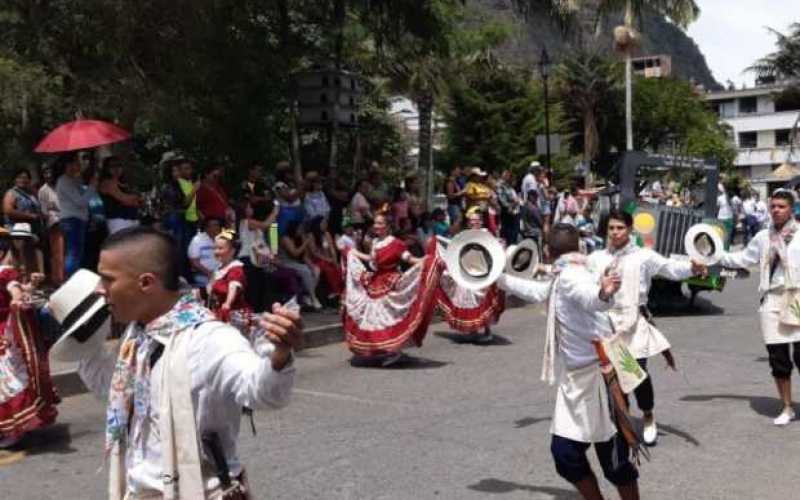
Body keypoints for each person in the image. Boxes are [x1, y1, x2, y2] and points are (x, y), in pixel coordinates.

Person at [75, 226, 300, 498]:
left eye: (108, 279)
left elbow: (264, 393)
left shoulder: (209, 339)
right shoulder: (137, 335)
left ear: (146, 283)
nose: (100, 290)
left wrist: (279, 355)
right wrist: (81, 343)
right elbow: (113, 391)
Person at [497, 224, 640, 500]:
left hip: (602, 377)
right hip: (579, 380)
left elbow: (590, 298)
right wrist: (496, 279)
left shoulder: (572, 276)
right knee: (566, 455)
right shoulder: (567, 273)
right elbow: (540, 293)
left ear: (548, 251)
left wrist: (603, 294)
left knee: (614, 462)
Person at [587, 210, 706, 445]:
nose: (615, 232)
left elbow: (670, 268)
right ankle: (623, 418)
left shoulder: (643, 256)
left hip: (635, 324)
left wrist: (691, 268)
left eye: (620, 227)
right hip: (607, 325)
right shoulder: (596, 258)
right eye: (611, 228)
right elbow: (585, 285)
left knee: (637, 374)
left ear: (630, 229)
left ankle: (648, 414)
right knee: (614, 376)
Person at [718, 189, 800, 426]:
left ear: (791, 209)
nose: (776, 210)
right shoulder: (763, 236)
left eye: (781, 206)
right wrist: (715, 255)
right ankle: (787, 407)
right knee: (778, 358)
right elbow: (742, 259)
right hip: (771, 299)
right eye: (773, 206)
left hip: (796, 298)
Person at [343, 212, 443, 366]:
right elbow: (372, 260)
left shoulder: (396, 243)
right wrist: (354, 253)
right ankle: (384, 348)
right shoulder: (375, 241)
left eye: (380, 223)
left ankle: (394, 350)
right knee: (376, 318)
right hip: (376, 280)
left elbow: (408, 258)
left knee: (391, 316)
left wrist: (426, 260)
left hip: (392, 281)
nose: (376, 226)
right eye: (375, 223)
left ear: (388, 226)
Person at [0, 239, 56, 449]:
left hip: (5, 333)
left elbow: (14, 288)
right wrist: (31, 286)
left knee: (8, 378)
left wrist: (17, 298)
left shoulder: (4, 271)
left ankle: (14, 428)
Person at [436, 206, 505, 344]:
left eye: (477, 220)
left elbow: (496, 250)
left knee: (484, 301)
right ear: (468, 223)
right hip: (468, 271)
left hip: (484, 271)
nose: (475, 223)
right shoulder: (465, 235)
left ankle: (487, 330)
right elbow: (456, 249)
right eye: (472, 221)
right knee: (468, 300)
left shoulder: (486, 234)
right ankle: (473, 330)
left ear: (481, 221)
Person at [238, 203, 303, 309]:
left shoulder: (259, 228)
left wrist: (273, 257)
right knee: (253, 288)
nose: (251, 209)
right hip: (248, 259)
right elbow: (265, 225)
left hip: (260, 260)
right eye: (248, 207)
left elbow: (271, 236)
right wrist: (275, 211)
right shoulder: (246, 222)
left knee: (262, 286)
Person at [56, 152, 96, 278]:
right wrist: (92, 186)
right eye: (76, 163)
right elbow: (81, 201)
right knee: (73, 254)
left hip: (79, 219)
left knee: (77, 254)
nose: (79, 166)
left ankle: (73, 280)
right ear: (68, 164)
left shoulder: (75, 179)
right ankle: (69, 281)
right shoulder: (64, 180)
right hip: (72, 220)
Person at [279, 221, 322, 311]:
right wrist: (306, 242)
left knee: (316, 270)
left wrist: (312, 266)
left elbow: (304, 256)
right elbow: (295, 253)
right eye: (299, 229)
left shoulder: (298, 238)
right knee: (305, 270)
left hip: (296, 263)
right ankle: (313, 297)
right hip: (285, 263)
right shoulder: (285, 238)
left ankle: (307, 295)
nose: (301, 231)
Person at [98, 156, 142, 234]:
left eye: (119, 165)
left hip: (132, 219)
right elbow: (124, 199)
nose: (116, 168)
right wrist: (135, 197)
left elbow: (137, 201)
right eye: (112, 166)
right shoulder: (107, 182)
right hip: (118, 221)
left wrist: (134, 199)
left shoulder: (123, 183)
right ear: (106, 168)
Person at [306, 216, 343, 304]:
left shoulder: (327, 234)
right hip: (317, 259)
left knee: (338, 269)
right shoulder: (311, 235)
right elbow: (314, 252)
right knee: (328, 269)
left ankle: (339, 293)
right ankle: (334, 291)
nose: (325, 225)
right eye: (323, 223)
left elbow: (332, 249)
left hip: (328, 259)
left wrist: (334, 260)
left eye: (326, 223)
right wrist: (328, 259)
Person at [38, 165, 64, 285]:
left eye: (50, 172)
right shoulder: (43, 190)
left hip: (67, 219)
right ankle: (58, 279)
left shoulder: (60, 186)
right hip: (54, 222)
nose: (48, 175)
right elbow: (44, 211)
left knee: (65, 251)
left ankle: (65, 276)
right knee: (57, 251)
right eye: (45, 173)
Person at [188, 218, 223, 287]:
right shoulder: (198, 240)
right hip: (203, 275)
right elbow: (194, 262)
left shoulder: (223, 239)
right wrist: (210, 274)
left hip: (220, 274)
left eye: (217, 225)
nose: (216, 228)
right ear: (206, 228)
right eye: (212, 225)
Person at [496, 169, 521, 245]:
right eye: (509, 176)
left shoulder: (509, 187)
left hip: (515, 212)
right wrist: (514, 203)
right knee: (509, 235)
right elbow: (503, 202)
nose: (511, 178)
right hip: (508, 214)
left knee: (514, 234)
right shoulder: (501, 186)